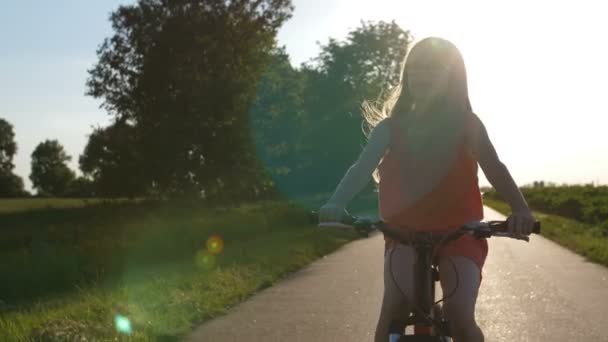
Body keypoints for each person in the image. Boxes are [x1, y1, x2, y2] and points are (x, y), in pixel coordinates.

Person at [317, 37, 536, 342]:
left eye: (434, 69)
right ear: (406, 76)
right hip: (403, 233)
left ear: (452, 78)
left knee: (460, 314)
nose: (422, 76)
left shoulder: (467, 124)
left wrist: (520, 209)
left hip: (461, 233)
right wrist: (336, 203)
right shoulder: (390, 128)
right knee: (394, 306)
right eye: (416, 69)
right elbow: (361, 168)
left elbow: (494, 167)